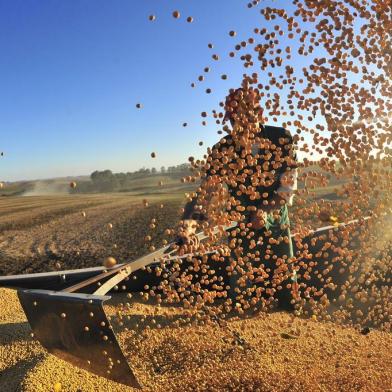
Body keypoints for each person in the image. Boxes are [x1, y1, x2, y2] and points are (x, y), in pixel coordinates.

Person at [176, 85, 299, 310]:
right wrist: (188, 227)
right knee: (242, 294)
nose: (238, 126)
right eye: (233, 120)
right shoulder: (222, 149)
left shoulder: (281, 139)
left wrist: (264, 211)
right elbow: (205, 194)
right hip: (239, 228)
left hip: (276, 225)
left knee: (284, 289)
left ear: (259, 114)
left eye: (244, 117)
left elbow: (286, 189)